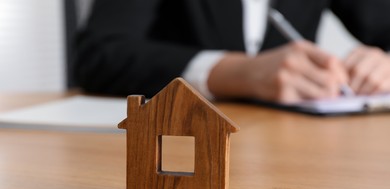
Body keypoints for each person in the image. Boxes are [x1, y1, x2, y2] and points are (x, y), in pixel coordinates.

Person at [74, 0, 390, 104]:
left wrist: (384, 64)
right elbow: (99, 55)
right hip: (183, 132)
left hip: (295, 151)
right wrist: (238, 72)